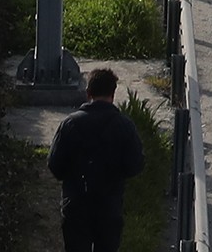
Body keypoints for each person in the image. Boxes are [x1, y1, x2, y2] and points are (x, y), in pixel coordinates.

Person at [47, 67, 145, 252]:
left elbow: (54, 165)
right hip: (109, 206)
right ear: (113, 94)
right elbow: (136, 165)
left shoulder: (69, 124)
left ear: (88, 93)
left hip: (76, 205)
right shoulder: (124, 126)